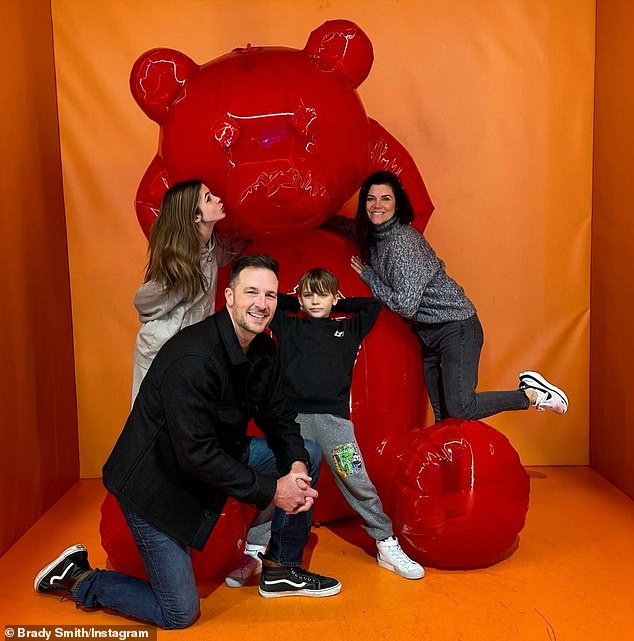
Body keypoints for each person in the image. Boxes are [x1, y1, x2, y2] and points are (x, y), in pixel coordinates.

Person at [34, 255, 341, 629]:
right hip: (156, 487)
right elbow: (195, 454)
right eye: (252, 292)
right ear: (229, 297)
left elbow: (277, 416)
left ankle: (281, 568)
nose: (262, 304)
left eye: (271, 295)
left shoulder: (263, 349)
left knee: (307, 452)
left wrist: (293, 467)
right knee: (179, 612)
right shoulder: (194, 357)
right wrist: (274, 491)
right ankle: (78, 577)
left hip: (211, 456)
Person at [225, 268, 424, 587]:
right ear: (300, 299)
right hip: (292, 423)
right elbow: (275, 306)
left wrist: (337, 306)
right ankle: (254, 551)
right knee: (279, 483)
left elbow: (370, 307)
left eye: (323, 294)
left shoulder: (349, 327)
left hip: (335, 426)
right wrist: (301, 302)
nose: (315, 300)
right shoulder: (290, 325)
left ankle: (386, 543)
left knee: (357, 480)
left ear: (335, 297)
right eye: (308, 295)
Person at [350, 170, 569, 423]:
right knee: (445, 419)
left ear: (397, 204)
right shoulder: (377, 237)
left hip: (455, 327)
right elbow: (352, 228)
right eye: (370, 199)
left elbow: (406, 305)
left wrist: (369, 276)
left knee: (461, 408)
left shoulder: (401, 243)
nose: (377, 205)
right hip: (429, 334)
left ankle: (531, 395)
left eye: (385, 198)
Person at [131, 178, 243, 403]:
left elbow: (232, 249)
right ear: (196, 217)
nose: (218, 200)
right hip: (159, 349)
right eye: (208, 199)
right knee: (149, 424)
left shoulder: (211, 248)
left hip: (188, 351)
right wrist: (176, 289)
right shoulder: (179, 263)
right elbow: (142, 301)